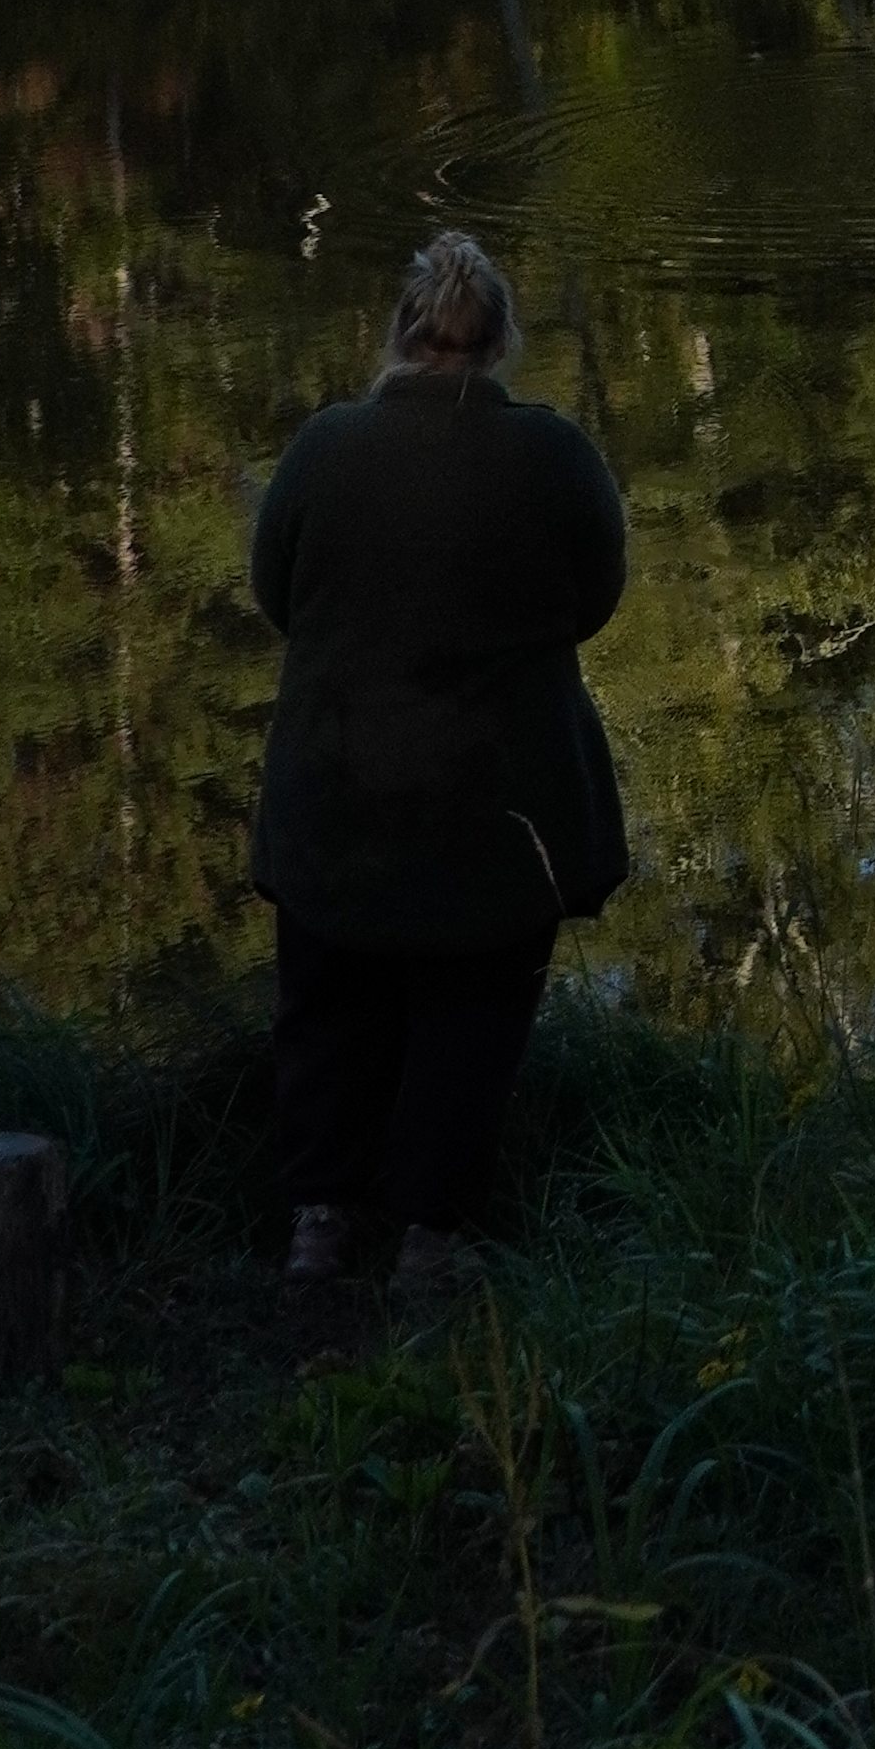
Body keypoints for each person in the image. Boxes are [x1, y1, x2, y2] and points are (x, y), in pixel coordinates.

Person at [248, 230, 630, 1297]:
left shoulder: (324, 450)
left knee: (325, 1001)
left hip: (335, 795)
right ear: (501, 340)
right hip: (495, 814)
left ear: (402, 337)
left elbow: (278, 598)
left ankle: (318, 1226)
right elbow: (596, 598)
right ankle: (431, 1235)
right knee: (474, 1010)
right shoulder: (553, 456)